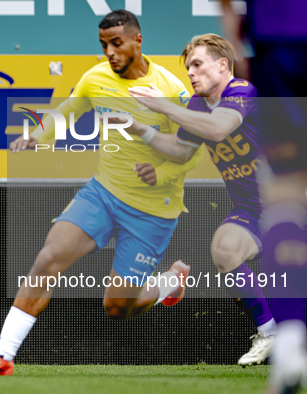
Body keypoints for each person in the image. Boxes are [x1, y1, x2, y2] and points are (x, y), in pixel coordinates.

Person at [0, 10, 202, 377]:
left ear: (138, 41)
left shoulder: (170, 89)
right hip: (104, 193)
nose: (109, 51)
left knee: (117, 307)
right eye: (104, 44)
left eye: (117, 43)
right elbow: (67, 112)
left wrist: (163, 171)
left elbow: (192, 151)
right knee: (48, 258)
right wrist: (36, 135)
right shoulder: (95, 78)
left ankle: (169, 282)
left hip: (153, 210)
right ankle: (3, 357)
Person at [122, 33, 276, 366]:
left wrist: (161, 104)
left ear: (223, 65)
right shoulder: (196, 104)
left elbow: (218, 129)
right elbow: (180, 150)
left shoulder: (242, 91)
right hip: (252, 210)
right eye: (187, 66)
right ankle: (270, 333)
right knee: (224, 248)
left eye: (197, 64)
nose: (190, 73)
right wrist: (137, 128)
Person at [221, 1, 307, 392]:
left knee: (286, 195)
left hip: (281, 43)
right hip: (279, 41)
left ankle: (289, 345)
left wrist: (237, 43)